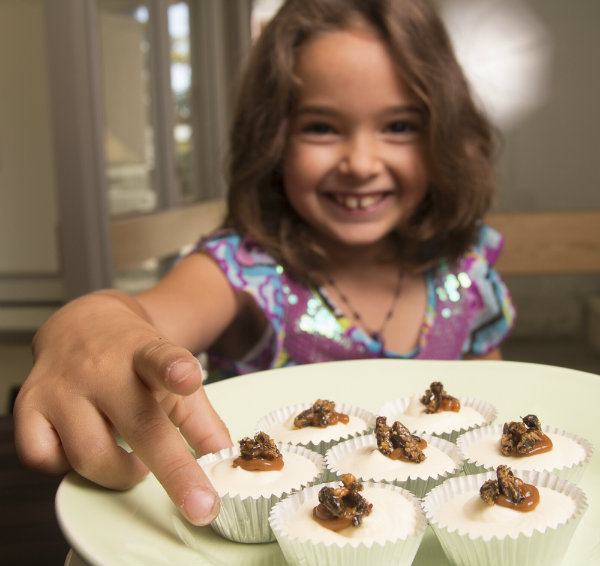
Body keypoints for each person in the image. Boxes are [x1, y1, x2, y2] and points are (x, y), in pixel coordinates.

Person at [14, 0, 515, 527]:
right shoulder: (243, 271)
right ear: (273, 140)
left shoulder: (467, 267)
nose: (362, 163)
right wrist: (86, 325)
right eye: (322, 127)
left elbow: (488, 430)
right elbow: (135, 318)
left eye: (400, 126)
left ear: (445, 134)